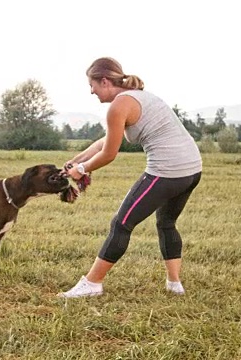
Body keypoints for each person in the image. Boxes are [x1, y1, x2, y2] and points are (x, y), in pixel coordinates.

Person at [59, 57, 202, 298]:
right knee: (166, 223)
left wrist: (82, 170)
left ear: (104, 81)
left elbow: (109, 154)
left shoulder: (119, 106)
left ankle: (92, 283)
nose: (91, 91)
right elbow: (106, 142)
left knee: (121, 223)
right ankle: (174, 284)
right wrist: (77, 160)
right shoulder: (137, 96)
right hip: (191, 170)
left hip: (168, 171)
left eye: (92, 84)